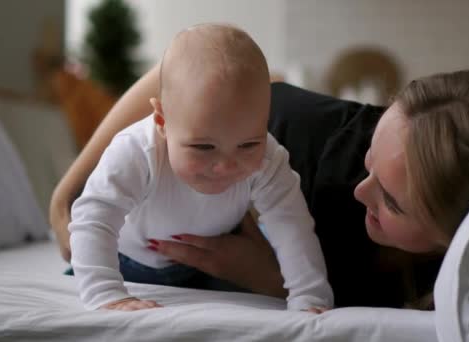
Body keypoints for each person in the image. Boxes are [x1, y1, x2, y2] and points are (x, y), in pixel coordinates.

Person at [51, 54, 469, 307]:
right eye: (369, 162)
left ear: (458, 233)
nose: (359, 189)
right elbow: (179, 72)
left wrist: (271, 278)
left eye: (392, 200)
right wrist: (67, 195)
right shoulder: (299, 134)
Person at [68, 24, 333, 312]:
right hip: (126, 261)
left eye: (249, 144)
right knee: (84, 266)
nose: (226, 166)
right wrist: (107, 293)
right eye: (204, 147)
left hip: (207, 265)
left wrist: (310, 297)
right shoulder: (136, 151)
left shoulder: (269, 158)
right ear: (162, 121)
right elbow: (94, 217)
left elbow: (292, 225)